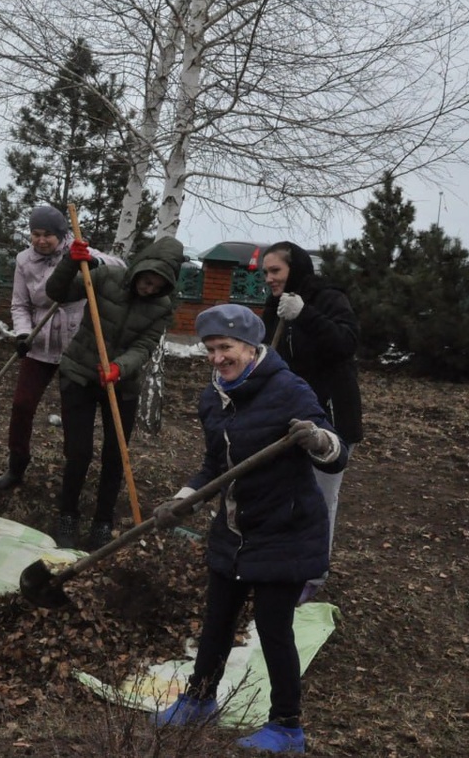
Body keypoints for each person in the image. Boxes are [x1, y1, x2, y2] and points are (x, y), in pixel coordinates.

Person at [151, 303, 348, 754]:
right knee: (217, 621)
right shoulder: (213, 397)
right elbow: (214, 467)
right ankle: (199, 700)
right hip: (235, 530)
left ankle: (287, 727)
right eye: (210, 349)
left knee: (273, 629)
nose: (217, 358)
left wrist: (317, 439)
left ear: (250, 345)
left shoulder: (288, 389)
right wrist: (183, 500)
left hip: (285, 531)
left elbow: (336, 455)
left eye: (226, 347)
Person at [44, 235, 182, 550]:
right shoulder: (106, 276)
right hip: (79, 374)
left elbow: (144, 346)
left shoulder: (161, 308)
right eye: (147, 281)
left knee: (115, 455)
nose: (149, 289)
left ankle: (103, 521)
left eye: (158, 286)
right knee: (79, 452)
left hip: (122, 384)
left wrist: (120, 367)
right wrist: (70, 262)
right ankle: (67, 515)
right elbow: (58, 293)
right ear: (139, 269)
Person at [0, 205, 123, 492]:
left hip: (77, 346)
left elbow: (120, 267)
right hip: (39, 341)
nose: (40, 240)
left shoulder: (78, 252)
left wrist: (93, 262)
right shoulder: (24, 260)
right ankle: (16, 465)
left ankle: (72, 473)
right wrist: (22, 333)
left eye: (47, 235)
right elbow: (20, 304)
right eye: (35, 234)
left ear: (61, 234)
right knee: (22, 405)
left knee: (72, 412)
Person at [261, 241, 362, 603]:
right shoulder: (275, 305)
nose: (269, 278)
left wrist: (305, 314)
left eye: (276, 271)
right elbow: (266, 353)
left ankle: (313, 573)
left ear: (297, 269)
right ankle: (282, 559)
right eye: (266, 272)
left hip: (331, 417)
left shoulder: (329, 298)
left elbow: (346, 343)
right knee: (283, 492)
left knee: (320, 497)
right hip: (287, 417)